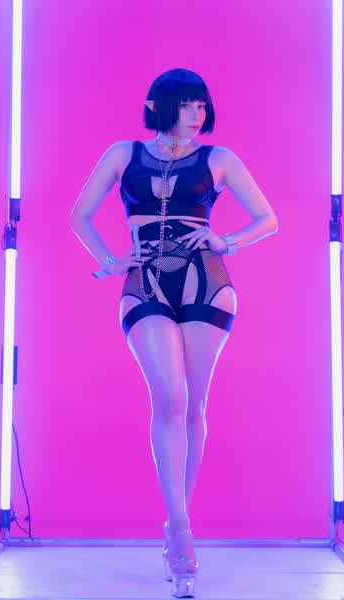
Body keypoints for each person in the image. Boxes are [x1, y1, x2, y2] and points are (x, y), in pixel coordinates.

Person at [69, 68, 278, 598]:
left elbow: (267, 218)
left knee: (194, 406)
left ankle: (174, 524)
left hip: (207, 282)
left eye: (202, 104)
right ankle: (181, 529)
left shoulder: (219, 159)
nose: (197, 113)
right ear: (160, 106)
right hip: (145, 283)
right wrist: (109, 261)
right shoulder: (124, 154)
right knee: (169, 397)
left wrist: (228, 240)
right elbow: (80, 215)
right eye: (187, 104)